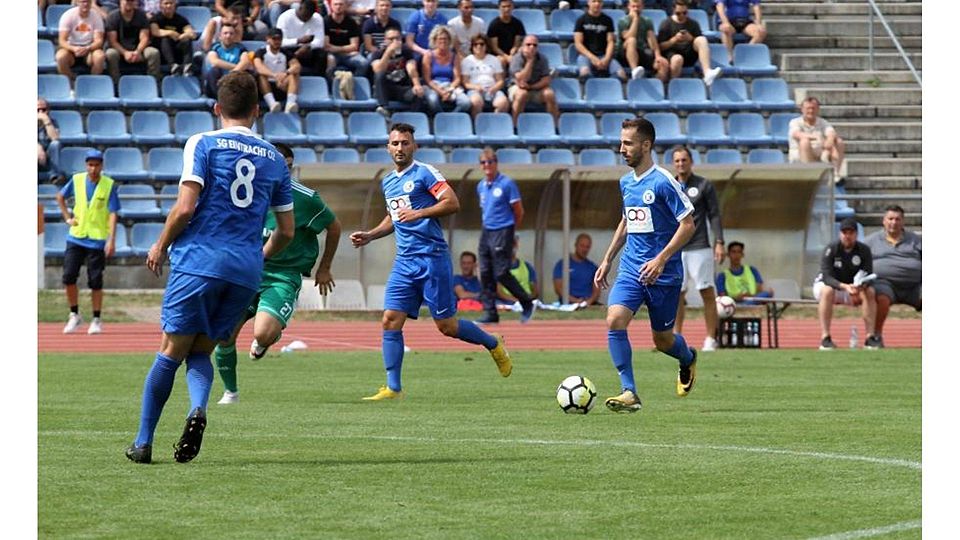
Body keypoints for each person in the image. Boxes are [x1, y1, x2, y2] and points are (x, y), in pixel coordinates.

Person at [125, 71, 295, 464]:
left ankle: (143, 441)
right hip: (245, 269)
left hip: (200, 259)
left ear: (217, 108)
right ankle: (197, 409)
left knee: (170, 351)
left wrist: (161, 243)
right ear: (256, 111)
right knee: (201, 349)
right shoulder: (275, 159)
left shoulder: (202, 143)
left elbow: (186, 207)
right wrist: (258, 258)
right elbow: (286, 230)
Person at [349, 123, 514, 401]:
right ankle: (393, 388)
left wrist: (421, 212)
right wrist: (371, 235)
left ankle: (492, 343)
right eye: (395, 143)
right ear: (388, 148)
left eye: (405, 143)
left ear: (414, 146)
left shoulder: (425, 173)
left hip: (432, 258)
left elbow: (452, 202)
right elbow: (395, 216)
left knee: (446, 326)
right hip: (405, 261)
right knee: (390, 320)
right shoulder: (388, 181)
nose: (400, 148)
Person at [214, 143, 341, 405]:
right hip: (245, 273)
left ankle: (267, 339)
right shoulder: (246, 192)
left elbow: (334, 226)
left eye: (289, 165)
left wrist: (325, 267)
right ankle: (231, 392)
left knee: (262, 333)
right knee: (223, 335)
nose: (284, 170)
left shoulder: (305, 198)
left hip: (283, 275)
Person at [594, 116, 698, 413]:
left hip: (663, 275)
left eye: (628, 143)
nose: (621, 148)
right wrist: (607, 258)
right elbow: (627, 220)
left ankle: (687, 358)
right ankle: (629, 392)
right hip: (631, 269)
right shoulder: (625, 182)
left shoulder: (664, 181)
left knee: (663, 341)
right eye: (621, 142)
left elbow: (688, 225)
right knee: (614, 319)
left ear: (646, 145)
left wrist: (661, 259)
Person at [55, 149, 120, 336]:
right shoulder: (77, 180)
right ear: (86, 165)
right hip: (76, 236)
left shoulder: (109, 185)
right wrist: (68, 217)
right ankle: (74, 314)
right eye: (90, 164)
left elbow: (113, 213)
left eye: (97, 164)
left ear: (102, 165)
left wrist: (111, 240)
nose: (93, 168)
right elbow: (60, 197)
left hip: (97, 240)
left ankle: (96, 318)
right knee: (68, 277)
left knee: (95, 282)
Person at [474, 147, 535, 324]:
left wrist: (511, 231)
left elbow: (519, 211)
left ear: (496, 163)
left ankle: (526, 302)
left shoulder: (507, 184)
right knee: (485, 272)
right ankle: (490, 312)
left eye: (490, 161)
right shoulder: (481, 186)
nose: (487, 165)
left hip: (504, 230)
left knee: (501, 272)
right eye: (483, 162)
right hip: (486, 230)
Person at [672, 146, 724, 352]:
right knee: (677, 294)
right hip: (675, 248)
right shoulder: (669, 185)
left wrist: (719, 241)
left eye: (684, 160)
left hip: (699, 246)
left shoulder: (703, 185)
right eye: (677, 161)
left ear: (691, 161)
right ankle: (675, 337)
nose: (680, 164)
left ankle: (711, 338)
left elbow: (714, 215)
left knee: (707, 292)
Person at [813, 217, 881, 351]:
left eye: (851, 233)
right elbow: (827, 277)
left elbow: (868, 274)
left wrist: (860, 288)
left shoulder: (864, 250)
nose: (847, 236)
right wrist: (844, 286)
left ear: (856, 234)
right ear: (840, 234)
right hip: (833, 286)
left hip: (853, 288)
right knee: (827, 291)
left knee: (870, 292)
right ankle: (825, 337)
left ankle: (870, 337)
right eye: (845, 233)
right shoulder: (831, 249)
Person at [863, 205, 921, 348]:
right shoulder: (870, 241)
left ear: (903, 222)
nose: (893, 222)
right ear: (884, 221)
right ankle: (876, 335)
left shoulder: (917, 240)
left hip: (915, 285)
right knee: (881, 297)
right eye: (890, 219)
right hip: (885, 283)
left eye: (897, 219)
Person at [657, 0, 722, 86]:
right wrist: (674, 40)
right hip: (672, 53)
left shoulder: (693, 24)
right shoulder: (666, 24)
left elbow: (698, 39)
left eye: (684, 13)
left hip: (689, 53)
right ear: (673, 11)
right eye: (678, 13)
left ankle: (707, 72)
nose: (682, 16)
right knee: (677, 59)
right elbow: (660, 46)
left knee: (702, 40)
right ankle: (672, 85)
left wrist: (690, 38)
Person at [370, 27, 427, 116]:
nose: (395, 41)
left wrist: (417, 85)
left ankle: (410, 119)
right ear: (385, 40)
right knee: (379, 75)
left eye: (397, 38)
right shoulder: (378, 53)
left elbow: (411, 68)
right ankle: (384, 108)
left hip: (401, 88)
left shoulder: (406, 51)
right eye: (391, 39)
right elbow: (378, 70)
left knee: (418, 93)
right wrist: (388, 53)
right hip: (386, 89)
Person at [789, 96, 847, 182]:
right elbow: (796, 134)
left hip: (819, 153)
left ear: (818, 109)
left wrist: (829, 141)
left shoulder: (823, 122)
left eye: (813, 108)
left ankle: (835, 174)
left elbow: (831, 132)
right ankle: (809, 176)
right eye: (808, 108)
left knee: (838, 142)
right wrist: (817, 137)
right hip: (800, 155)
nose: (811, 111)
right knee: (804, 142)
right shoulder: (795, 122)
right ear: (802, 109)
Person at [105, 0, 162, 84]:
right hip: (120, 51)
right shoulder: (112, 17)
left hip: (138, 50)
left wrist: (137, 52)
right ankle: (115, 84)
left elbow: (144, 38)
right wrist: (125, 53)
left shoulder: (141, 15)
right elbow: (113, 41)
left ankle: (153, 84)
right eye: (127, 1)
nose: (129, 2)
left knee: (153, 53)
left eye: (132, 0)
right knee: (111, 53)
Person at [508, 35, 559, 126]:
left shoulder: (542, 59)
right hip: (517, 87)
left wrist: (531, 87)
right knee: (521, 94)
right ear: (523, 46)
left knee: (549, 94)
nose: (531, 47)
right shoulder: (516, 58)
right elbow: (522, 78)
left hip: (536, 88)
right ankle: (515, 125)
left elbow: (546, 79)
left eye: (534, 45)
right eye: (528, 44)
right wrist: (530, 61)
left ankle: (554, 126)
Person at [422, 26, 470, 114]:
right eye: (440, 39)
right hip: (433, 85)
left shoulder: (454, 57)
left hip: (450, 86)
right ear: (435, 40)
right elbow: (427, 79)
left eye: (446, 39)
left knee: (465, 102)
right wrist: (440, 92)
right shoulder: (428, 55)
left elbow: (457, 78)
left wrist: (449, 90)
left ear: (449, 40)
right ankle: (441, 117)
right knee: (433, 101)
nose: (443, 41)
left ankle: (451, 116)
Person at [616, 0, 669, 81]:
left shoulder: (647, 21)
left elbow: (652, 39)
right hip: (626, 53)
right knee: (632, 40)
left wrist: (658, 56)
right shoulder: (623, 21)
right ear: (629, 7)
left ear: (642, 7)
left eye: (638, 6)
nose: (636, 9)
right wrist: (635, 20)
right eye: (633, 6)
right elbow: (628, 36)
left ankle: (657, 83)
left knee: (663, 63)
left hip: (642, 51)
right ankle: (634, 70)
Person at [574, 0, 626, 81]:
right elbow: (578, 44)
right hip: (586, 56)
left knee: (621, 74)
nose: (597, 4)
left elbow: (610, 42)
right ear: (589, 3)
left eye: (599, 1)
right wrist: (593, 58)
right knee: (585, 73)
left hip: (604, 55)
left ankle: (609, 90)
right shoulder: (581, 20)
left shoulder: (607, 20)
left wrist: (607, 58)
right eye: (594, 1)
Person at [253, 28, 302, 113]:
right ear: (268, 39)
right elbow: (259, 67)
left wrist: (286, 73)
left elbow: (296, 66)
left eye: (279, 39)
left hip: (281, 85)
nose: (277, 41)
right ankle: (272, 104)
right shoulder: (261, 52)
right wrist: (274, 75)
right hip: (266, 86)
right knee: (261, 75)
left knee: (294, 74)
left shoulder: (286, 52)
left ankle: (290, 104)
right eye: (274, 39)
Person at [56, 0, 107, 82]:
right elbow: (62, 40)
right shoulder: (68, 15)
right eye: (83, 2)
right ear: (77, 2)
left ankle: (92, 82)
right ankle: (71, 83)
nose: (85, 4)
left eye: (88, 2)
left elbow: (99, 40)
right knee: (60, 57)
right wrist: (74, 48)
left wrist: (88, 48)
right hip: (71, 48)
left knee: (99, 56)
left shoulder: (96, 16)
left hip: (89, 49)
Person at [277, 0, 331, 77]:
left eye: (309, 16)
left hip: (309, 48)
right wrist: (298, 41)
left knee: (321, 54)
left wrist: (309, 46)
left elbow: (320, 41)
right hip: (289, 48)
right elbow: (280, 42)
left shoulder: (317, 18)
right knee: (282, 54)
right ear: (300, 8)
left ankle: (318, 78)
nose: (307, 19)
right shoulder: (285, 17)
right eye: (305, 15)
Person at [461, 35, 509, 118]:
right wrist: (476, 87)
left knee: (503, 103)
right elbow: (465, 83)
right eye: (476, 44)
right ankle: (477, 126)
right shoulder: (467, 61)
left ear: (486, 46)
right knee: (476, 102)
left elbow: (500, 80)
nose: (479, 46)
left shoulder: (494, 59)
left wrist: (494, 88)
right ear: (472, 47)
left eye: (482, 44)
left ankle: (494, 125)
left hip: (492, 89)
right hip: (475, 89)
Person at [149, 0, 197, 77]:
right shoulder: (156, 18)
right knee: (165, 39)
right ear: (161, 6)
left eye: (171, 3)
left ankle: (187, 66)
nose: (169, 6)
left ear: (175, 5)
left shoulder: (180, 19)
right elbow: (155, 31)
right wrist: (170, 33)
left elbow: (192, 33)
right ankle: (173, 66)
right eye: (166, 3)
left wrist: (184, 35)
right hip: (162, 53)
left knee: (187, 40)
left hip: (176, 50)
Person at [553, 233, 601, 305]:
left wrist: (588, 302)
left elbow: (597, 291)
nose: (584, 249)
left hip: (588, 303)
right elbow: (558, 289)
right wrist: (576, 301)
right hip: (567, 303)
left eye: (587, 247)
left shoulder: (593, 267)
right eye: (582, 246)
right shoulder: (562, 264)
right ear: (575, 245)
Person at [204, 23, 251, 98]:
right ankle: (218, 100)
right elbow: (215, 61)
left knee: (248, 74)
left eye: (231, 33)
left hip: (235, 79)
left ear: (235, 36)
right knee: (213, 71)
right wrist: (236, 67)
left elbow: (245, 62)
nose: (228, 36)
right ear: (220, 36)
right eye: (225, 33)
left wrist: (231, 75)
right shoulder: (215, 47)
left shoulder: (240, 48)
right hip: (219, 80)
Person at [325, 0, 370, 76]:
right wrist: (344, 49)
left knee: (364, 63)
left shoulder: (351, 23)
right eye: (335, 4)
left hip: (348, 55)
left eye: (341, 4)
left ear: (345, 6)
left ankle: (353, 83)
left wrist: (337, 49)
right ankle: (332, 86)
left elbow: (354, 46)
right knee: (330, 61)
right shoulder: (326, 21)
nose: (338, 7)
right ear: (331, 6)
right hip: (333, 54)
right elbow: (327, 46)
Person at [497, 235, 539, 305]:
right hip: (507, 303)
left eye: (513, 244)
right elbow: (499, 292)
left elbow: (535, 290)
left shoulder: (527, 266)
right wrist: (517, 300)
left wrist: (529, 299)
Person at [486, 0, 525, 68]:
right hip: (498, 54)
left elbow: (517, 42)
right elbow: (494, 47)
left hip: (513, 53)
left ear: (512, 7)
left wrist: (514, 50)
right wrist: (506, 57)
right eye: (504, 7)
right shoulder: (494, 25)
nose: (506, 9)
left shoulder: (517, 23)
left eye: (509, 6)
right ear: (499, 8)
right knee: (501, 61)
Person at [38, 98, 62, 182]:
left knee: (55, 144)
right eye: (37, 110)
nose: (40, 112)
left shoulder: (53, 122)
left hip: (48, 157)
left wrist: (46, 121)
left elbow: (55, 138)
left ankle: (55, 176)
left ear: (48, 110)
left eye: (43, 109)